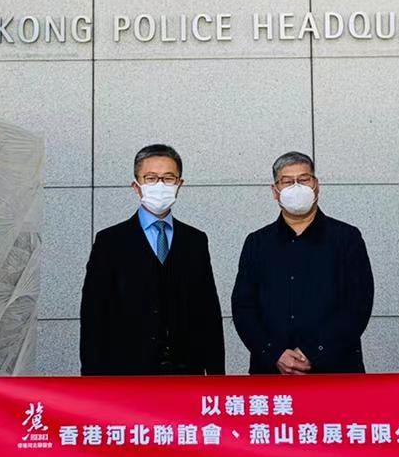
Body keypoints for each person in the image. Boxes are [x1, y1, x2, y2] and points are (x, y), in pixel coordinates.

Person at [80, 142, 225, 376]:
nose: (160, 185)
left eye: (168, 178)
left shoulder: (195, 240)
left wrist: (217, 375)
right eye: (150, 178)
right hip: (127, 372)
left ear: (179, 185)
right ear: (136, 186)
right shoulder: (110, 241)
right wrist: (92, 378)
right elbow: (94, 314)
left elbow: (208, 310)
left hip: (186, 372)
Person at [231, 151, 374, 375]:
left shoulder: (347, 238)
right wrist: (275, 353)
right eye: (287, 181)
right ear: (275, 191)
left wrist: (314, 351)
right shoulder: (257, 243)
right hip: (271, 372)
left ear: (316, 186)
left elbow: (358, 305)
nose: (296, 187)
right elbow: (243, 307)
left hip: (336, 371)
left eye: (304, 179)